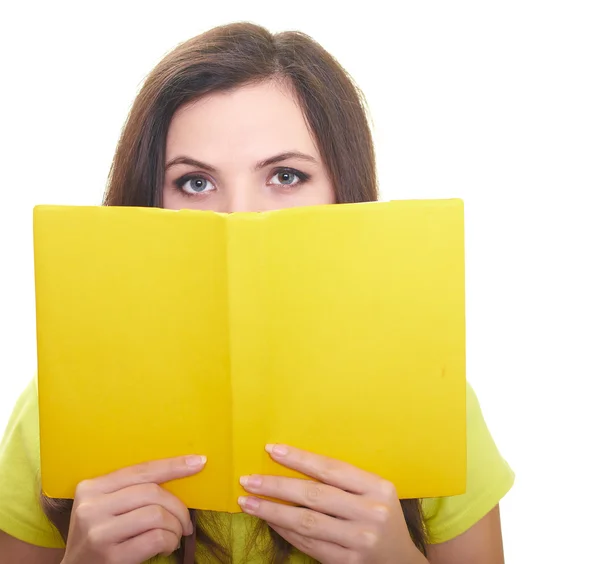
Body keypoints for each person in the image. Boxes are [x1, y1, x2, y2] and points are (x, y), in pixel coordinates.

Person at [0, 22, 514, 564]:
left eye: (286, 176)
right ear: (148, 203)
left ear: (344, 193)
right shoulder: (58, 405)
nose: (240, 218)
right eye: (195, 183)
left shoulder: (430, 398)